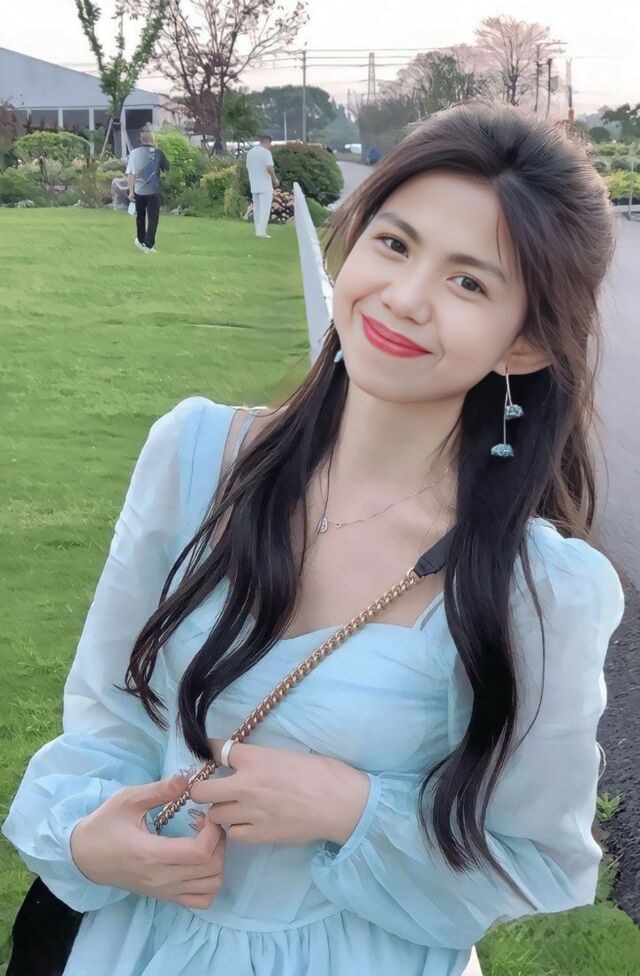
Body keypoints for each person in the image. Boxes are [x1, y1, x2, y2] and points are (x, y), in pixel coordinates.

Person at [3, 103, 625, 976]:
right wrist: (84, 836)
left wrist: (352, 808)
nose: (404, 298)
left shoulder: (539, 588)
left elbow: (536, 861)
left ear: (521, 344)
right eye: (395, 244)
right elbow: (109, 713)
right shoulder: (195, 458)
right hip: (139, 945)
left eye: (469, 283)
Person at [126, 126, 169, 253]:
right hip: (153, 190)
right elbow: (165, 168)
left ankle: (140, 240)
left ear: (141, 139)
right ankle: (148, 245)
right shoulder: (158, 153)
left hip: (139, 190)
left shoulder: (134, 153)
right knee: (153, 218)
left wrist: (131, 191)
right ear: (153, 139)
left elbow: (131, 173)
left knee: (140, 216)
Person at [245, 134, 279, 238]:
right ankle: (262, 232)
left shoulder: (250, 152)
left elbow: (248, 167)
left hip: (254, 184)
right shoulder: (266, 152)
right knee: (265, 209)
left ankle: (257, 231)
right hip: (265, 185)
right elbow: (269, 167)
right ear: (267, 142)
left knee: (257, 209)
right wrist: (275, 179)